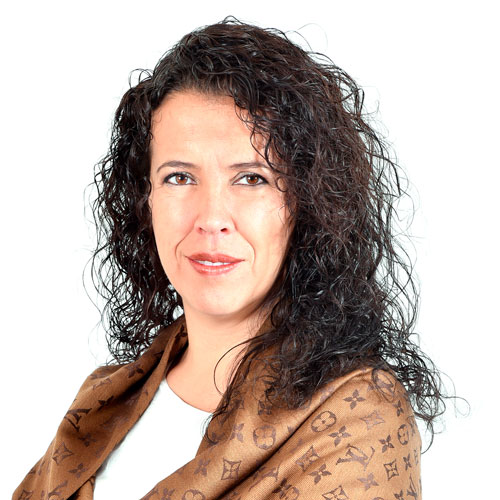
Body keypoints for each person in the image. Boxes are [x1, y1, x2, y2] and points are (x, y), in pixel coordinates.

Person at [13, 17, 444, 500]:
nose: (211, 218)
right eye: (179, 177)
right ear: (145, 200)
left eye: (251, 178)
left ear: (307, 203)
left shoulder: (358, 417)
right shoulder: (103, 401)